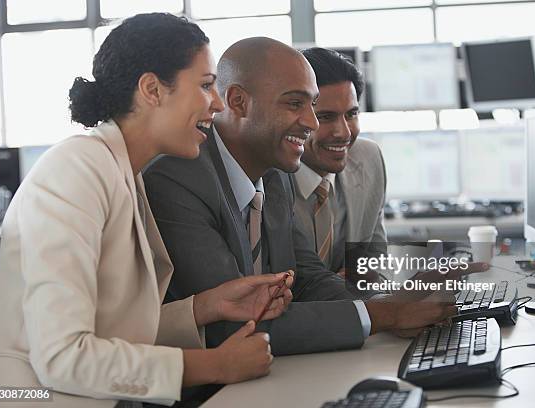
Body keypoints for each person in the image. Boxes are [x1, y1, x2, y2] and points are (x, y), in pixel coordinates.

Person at [0, 14, 294, 408]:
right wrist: (212, 365)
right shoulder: (75, 171)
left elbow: (112, 331)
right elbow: (61, 357)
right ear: (152, 89)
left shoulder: (123, 173)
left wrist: (207, 307)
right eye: (205, 86)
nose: (216, 104)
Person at [144, 37, 457, 358]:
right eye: (295, 104)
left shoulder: (273, 170)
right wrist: (387, 315)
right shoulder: (177, 178)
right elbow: (232, 323)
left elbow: (307, 278)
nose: (310, 122)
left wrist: (391, 304)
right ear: (238, 102)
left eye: (312, 104)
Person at [292, 47, 386, 276]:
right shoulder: (268, 177)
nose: (343, 132)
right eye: (325, 117)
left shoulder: (369, 158)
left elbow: (376, 260)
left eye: (351, 114)